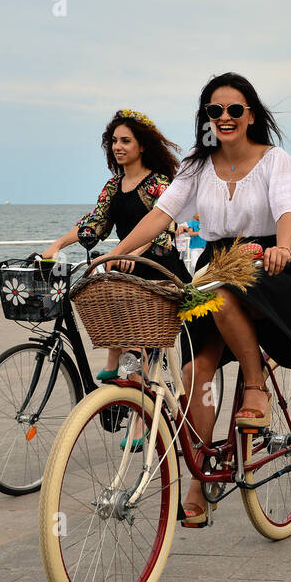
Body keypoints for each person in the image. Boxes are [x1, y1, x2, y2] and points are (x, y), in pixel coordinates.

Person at [109, 72, 291, 528]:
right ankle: (199, 480)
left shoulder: (276, 160)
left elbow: (286, 207)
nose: (224, 118)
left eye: (234, 110)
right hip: (216, 263)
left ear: (251, 115)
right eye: (214, 111)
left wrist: (283, 246)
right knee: (194, 372)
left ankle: (255, 384)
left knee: (217, 290)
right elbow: (162, 213)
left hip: (264, 261)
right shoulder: (197, 166)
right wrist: (116, 254)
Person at [42, 109, 191, 381]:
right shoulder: (114, 185)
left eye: (125, 141)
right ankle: (118, 361)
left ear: (142, 146)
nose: (117, 147)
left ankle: (135, 376)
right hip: (127, 263)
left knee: (129, 317)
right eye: (113, 141)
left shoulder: (157, 183)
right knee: (99, 289)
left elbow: (161, 228)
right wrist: (57, 244)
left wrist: (132, 253)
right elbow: (96, 221)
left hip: (158, 265)